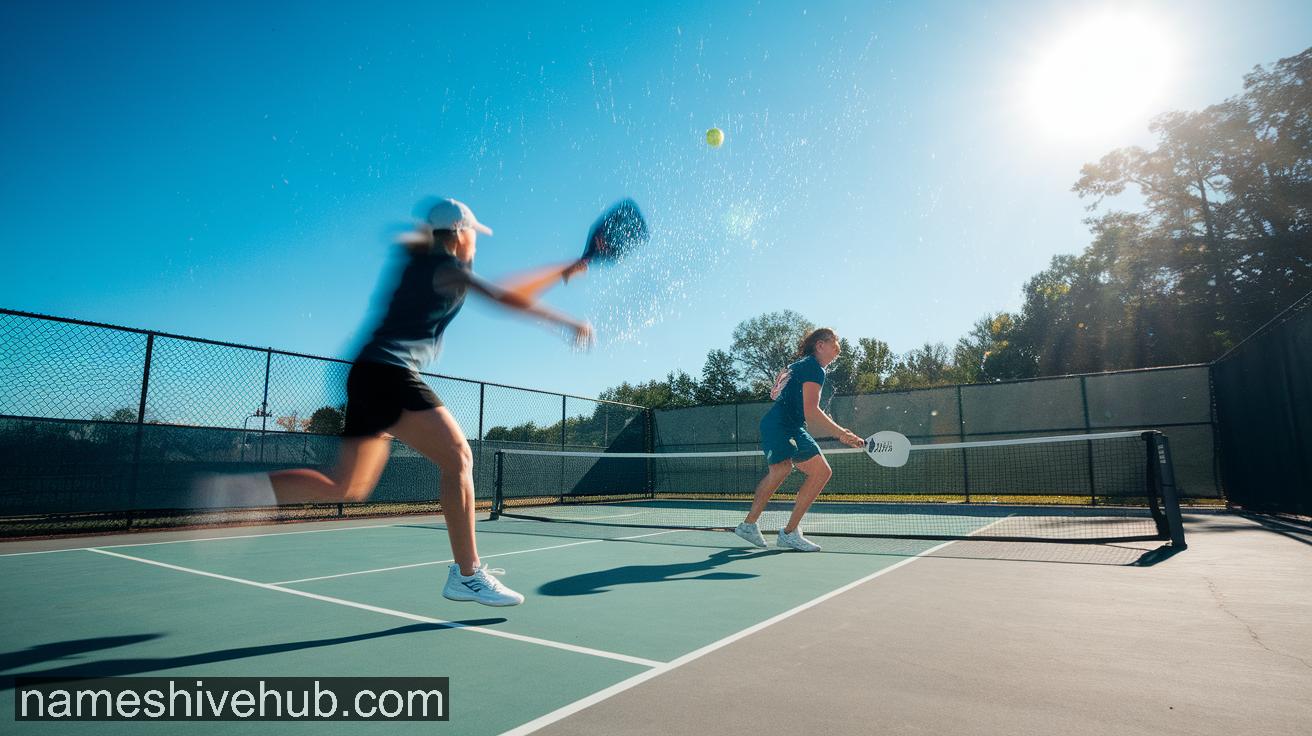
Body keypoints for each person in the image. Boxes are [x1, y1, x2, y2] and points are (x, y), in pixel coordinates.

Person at [197, 198, 592, 606]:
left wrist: (562, 271)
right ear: (458, 234)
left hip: (366, 373)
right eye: (473, 232)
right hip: (389, 373)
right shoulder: (444, 267)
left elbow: (506, 288)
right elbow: (504, 297)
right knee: (459, 457)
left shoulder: (429, 262)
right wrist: (567, 321)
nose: (477, 241)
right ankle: (467, 574)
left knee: (346, 485)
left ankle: (243, 489)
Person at [734, 328, 865, 552]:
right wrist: (841, 433)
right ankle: (779, 531)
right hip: (781, 426)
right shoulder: (814, 368)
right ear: (820, 345)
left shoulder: (800, 366)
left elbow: (789, 400)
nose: (837, 350)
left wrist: (838, 430)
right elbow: (811, 410)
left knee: (802, 471)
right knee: (790, 470)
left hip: (788, 426)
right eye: (834, 345)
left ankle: (759, 527)